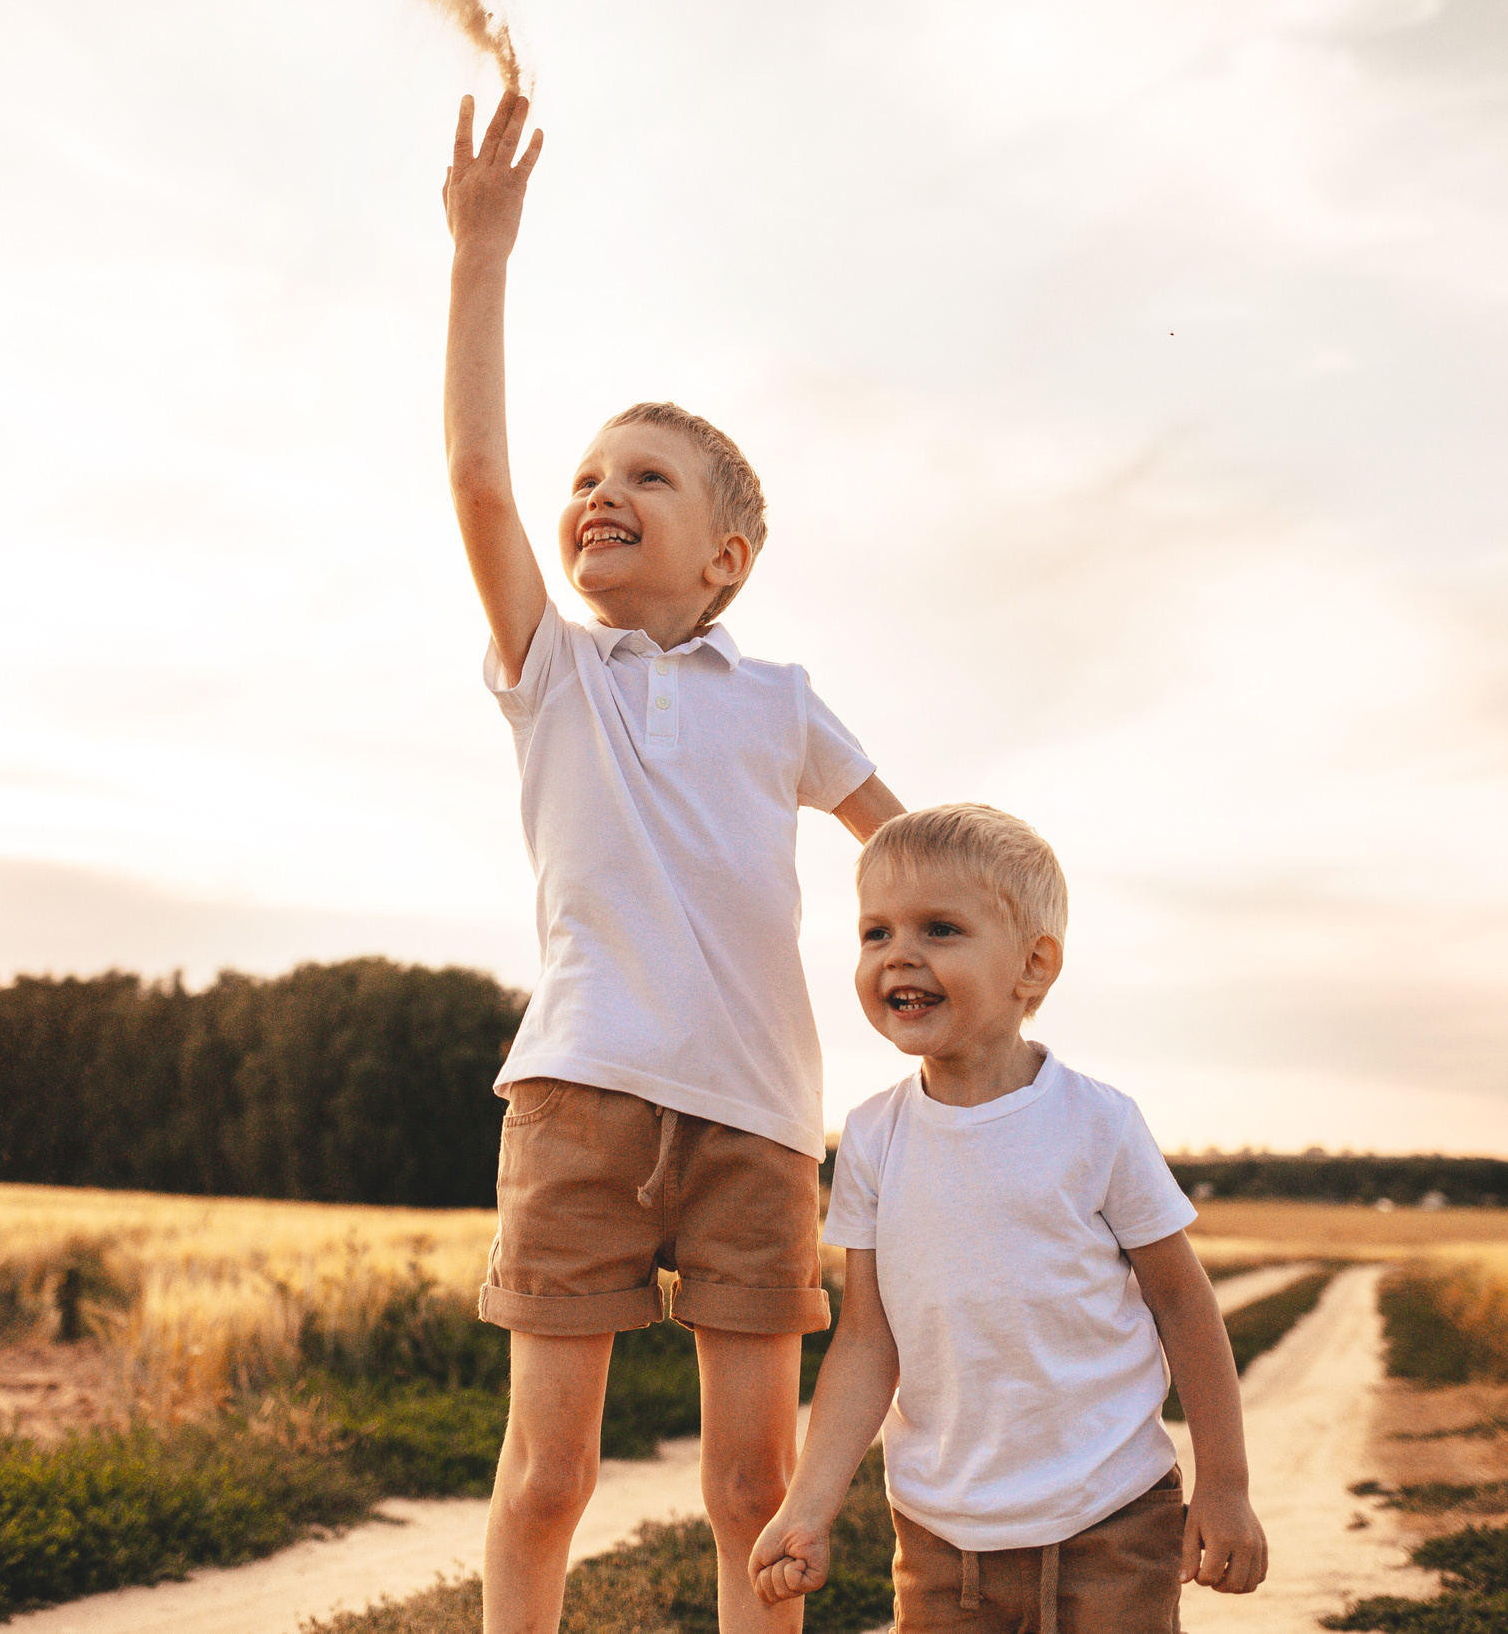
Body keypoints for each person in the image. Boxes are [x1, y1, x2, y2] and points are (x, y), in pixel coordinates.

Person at [440, 89, 907, 1634]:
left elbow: (906, 851)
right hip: (579, 1097)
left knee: (749, 1484)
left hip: (762, 1122)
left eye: (646, 476)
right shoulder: (550, 671)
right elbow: (482, 484)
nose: (599, 492)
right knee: (549, 1476)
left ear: (727, 558)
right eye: (593, 473)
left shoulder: (779, 704)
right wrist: (481, 254)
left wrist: (948, 974)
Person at [749, 804, 1267, 1634]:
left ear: (1034, 964)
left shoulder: (1099, 1124)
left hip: (1113, 1516)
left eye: (940, 928)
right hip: (942, 1536)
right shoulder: (875, 1138)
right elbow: (866, 1340)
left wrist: (1227, 1485)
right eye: (875, 932)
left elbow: (1183, 1303)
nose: (899, 955)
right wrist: (807, 1503)